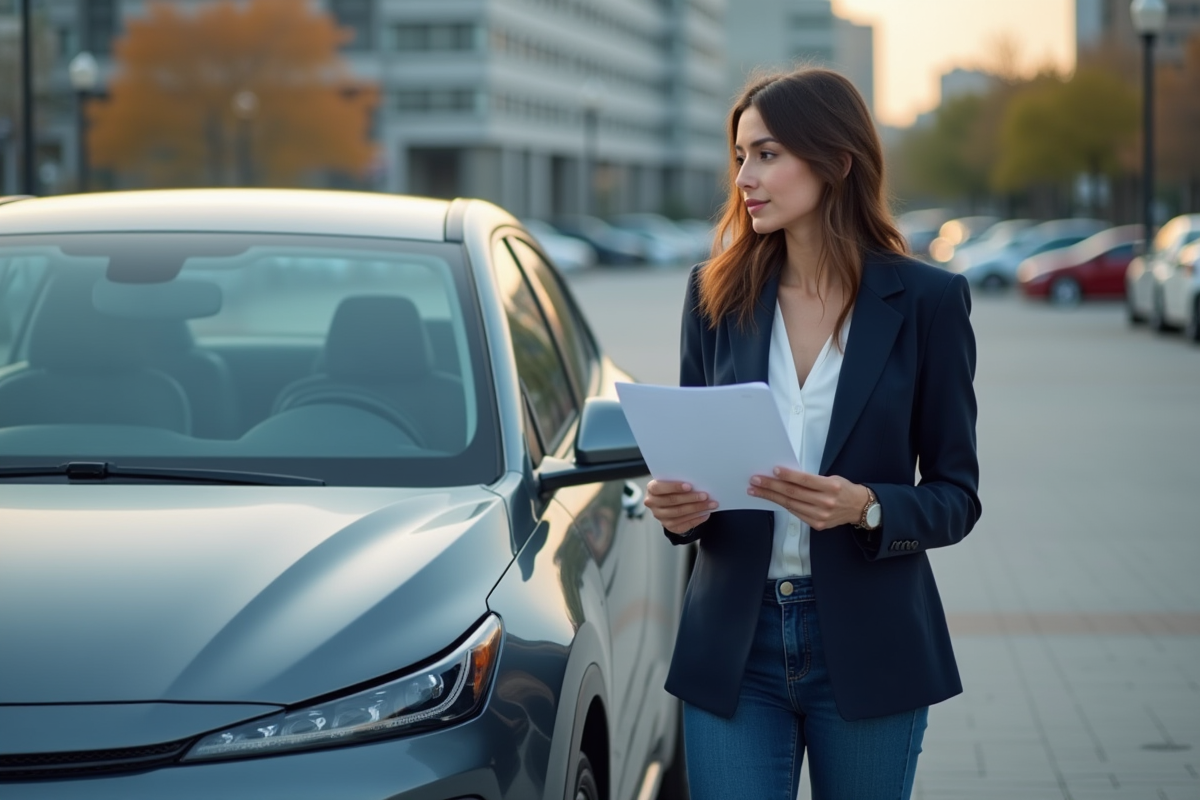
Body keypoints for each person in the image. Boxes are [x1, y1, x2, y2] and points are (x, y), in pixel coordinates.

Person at [643, 68, 981, 800]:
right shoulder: (712, 295)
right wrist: (675, 510)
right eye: (739, 157)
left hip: (868, 643)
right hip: (734, 644)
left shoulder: (928, 302)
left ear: (835, 160)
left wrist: (867, 506)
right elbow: (694, 470)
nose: (744, 178)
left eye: (766, 155)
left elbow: (958, 495)